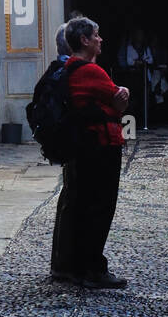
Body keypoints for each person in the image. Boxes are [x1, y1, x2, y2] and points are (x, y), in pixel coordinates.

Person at [50, 16, 131, 290]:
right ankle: (92, 269)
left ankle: (71, 266)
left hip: (84, 147)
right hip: (99, 146)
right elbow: (117, 101)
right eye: (96, 35)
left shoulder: (72, 69)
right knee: (99, 208)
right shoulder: (90, 71)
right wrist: (120, 101)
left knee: (80, 205)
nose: (100, 39)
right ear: (84, 40)